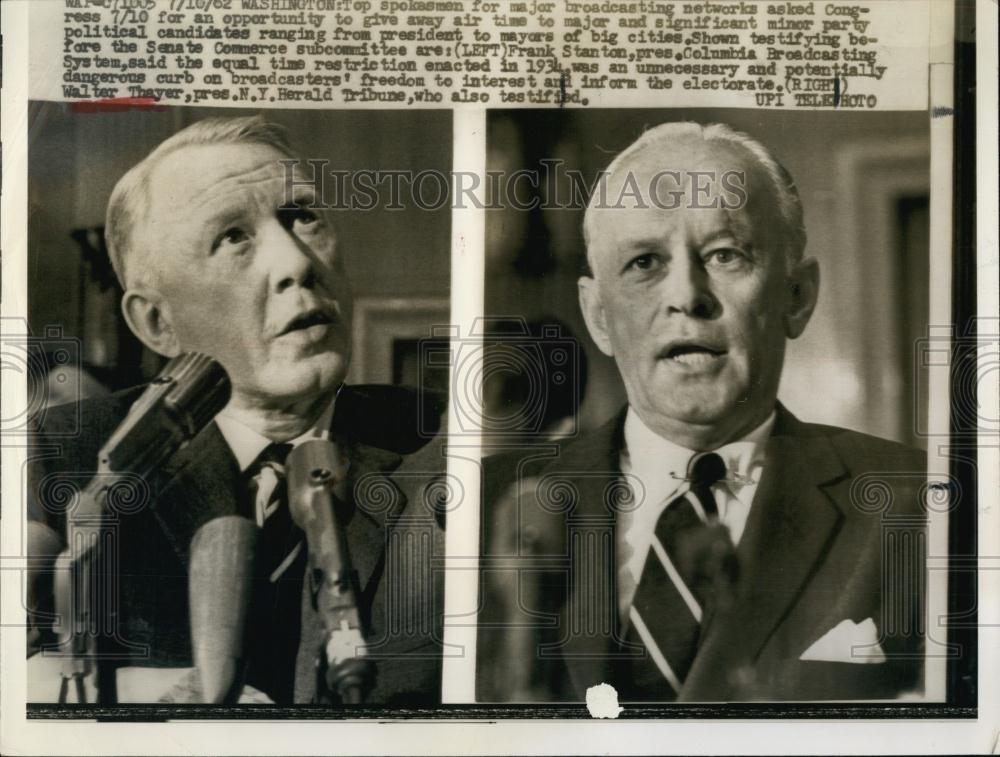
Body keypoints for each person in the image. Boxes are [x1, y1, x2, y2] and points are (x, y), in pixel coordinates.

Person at [478, 122, 926, 703]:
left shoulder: (922, 506)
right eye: (644, 263)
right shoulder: (482, 505)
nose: (687, 295)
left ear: (797, 297)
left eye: (725, 254)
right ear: (598, 316)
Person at [27, 116, 447, 705]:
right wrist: (167, 696)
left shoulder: (445, 443)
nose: (296, 263)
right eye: (233, 237)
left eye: (302, 215)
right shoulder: (70, 455)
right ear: (156, 322)